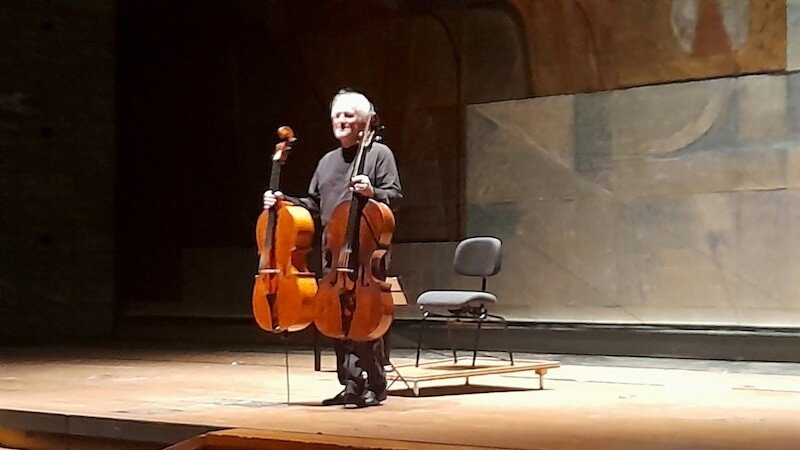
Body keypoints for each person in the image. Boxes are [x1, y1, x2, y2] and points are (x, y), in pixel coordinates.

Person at [263, 89, 402, 407]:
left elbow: (394, 195)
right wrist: (284, 201)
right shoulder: (327, 162)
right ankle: (350, 383)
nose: (341, 121)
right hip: (332, 250)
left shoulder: (380, 154)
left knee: (365, 318)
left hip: (366, 248)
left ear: (365, 122)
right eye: (337, 116)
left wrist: (373, 191)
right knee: (335, 317)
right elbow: (312, 204)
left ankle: (375, 382)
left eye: (349, 115)